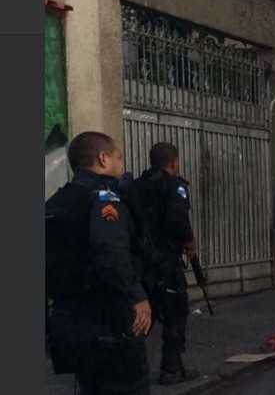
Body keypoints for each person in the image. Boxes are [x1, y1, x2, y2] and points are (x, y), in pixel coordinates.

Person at [46, 131, 152, 395]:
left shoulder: (55, 203)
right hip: (106, 320)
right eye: (119, 157)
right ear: (103, 159)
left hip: (68, 322)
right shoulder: (105, 196)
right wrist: (137, 297)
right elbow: (109, 253)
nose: (122, 165)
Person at [126, 142, 200, 385]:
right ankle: (171, 369)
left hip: (141, 265)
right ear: (173, 163)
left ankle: (131, 370)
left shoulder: (134, 188)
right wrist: (189, 240)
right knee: (175, 315)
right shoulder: (175, 186)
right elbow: (177, 218)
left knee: (143, 317)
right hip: (166, 264)